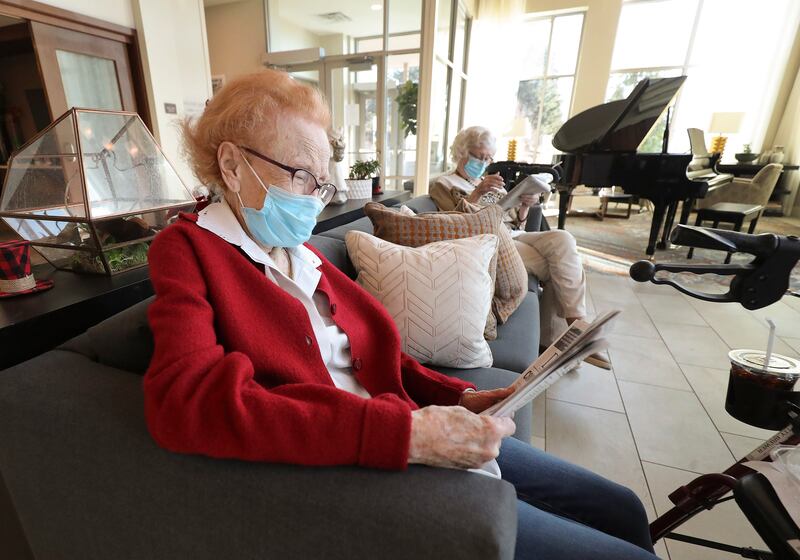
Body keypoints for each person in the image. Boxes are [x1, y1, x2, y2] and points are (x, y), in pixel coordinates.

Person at [143, 69, 656, 559]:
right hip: (363, 464)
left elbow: (372, 353)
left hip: (407, 425)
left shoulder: (296, 248)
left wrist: (462, 395)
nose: (314, 204)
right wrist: (408, 435)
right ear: (232, 165)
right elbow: (183, 402)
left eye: (321, 185)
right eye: (302, 176)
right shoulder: (187, 249)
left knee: (623, 507)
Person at [430, 126, 608, 367]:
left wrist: (525, 205)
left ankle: (577, 326)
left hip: (513, 234)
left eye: (488, 158)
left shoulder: (491, 182)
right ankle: (561, 339)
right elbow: (455, 220)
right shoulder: (443, 183)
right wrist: (478, 192)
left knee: (563, 239)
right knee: (559, 265)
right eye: (477, 155)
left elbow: (517, 221)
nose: (483, 162)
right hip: (490, 240)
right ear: (461, 152)